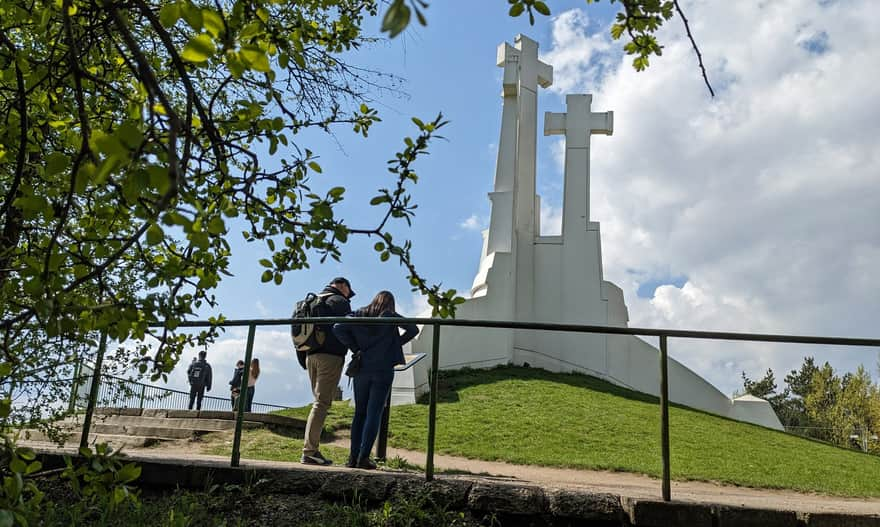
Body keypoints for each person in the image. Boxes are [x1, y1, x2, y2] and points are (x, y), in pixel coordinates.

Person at [333, 291, 418, 469]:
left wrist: (355, 347)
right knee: (374, 413)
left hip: (362, 367)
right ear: (390, 304)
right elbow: (413, 329)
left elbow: (337, 327)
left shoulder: (359, 314)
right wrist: (396, 343)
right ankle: (364, 458)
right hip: (383, 369)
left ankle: (352, 458)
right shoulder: (389, 316)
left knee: (360, 413)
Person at [301, 277, 355, 465]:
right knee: (322, 403)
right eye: (349, 291)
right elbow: (348, 328)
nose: (349, 295)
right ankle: (309, 452)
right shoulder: (340, 302)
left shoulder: (313, 299)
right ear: (343, 287)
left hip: (310, 356)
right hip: (330, 356)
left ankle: (311, 450)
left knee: (319, 402)